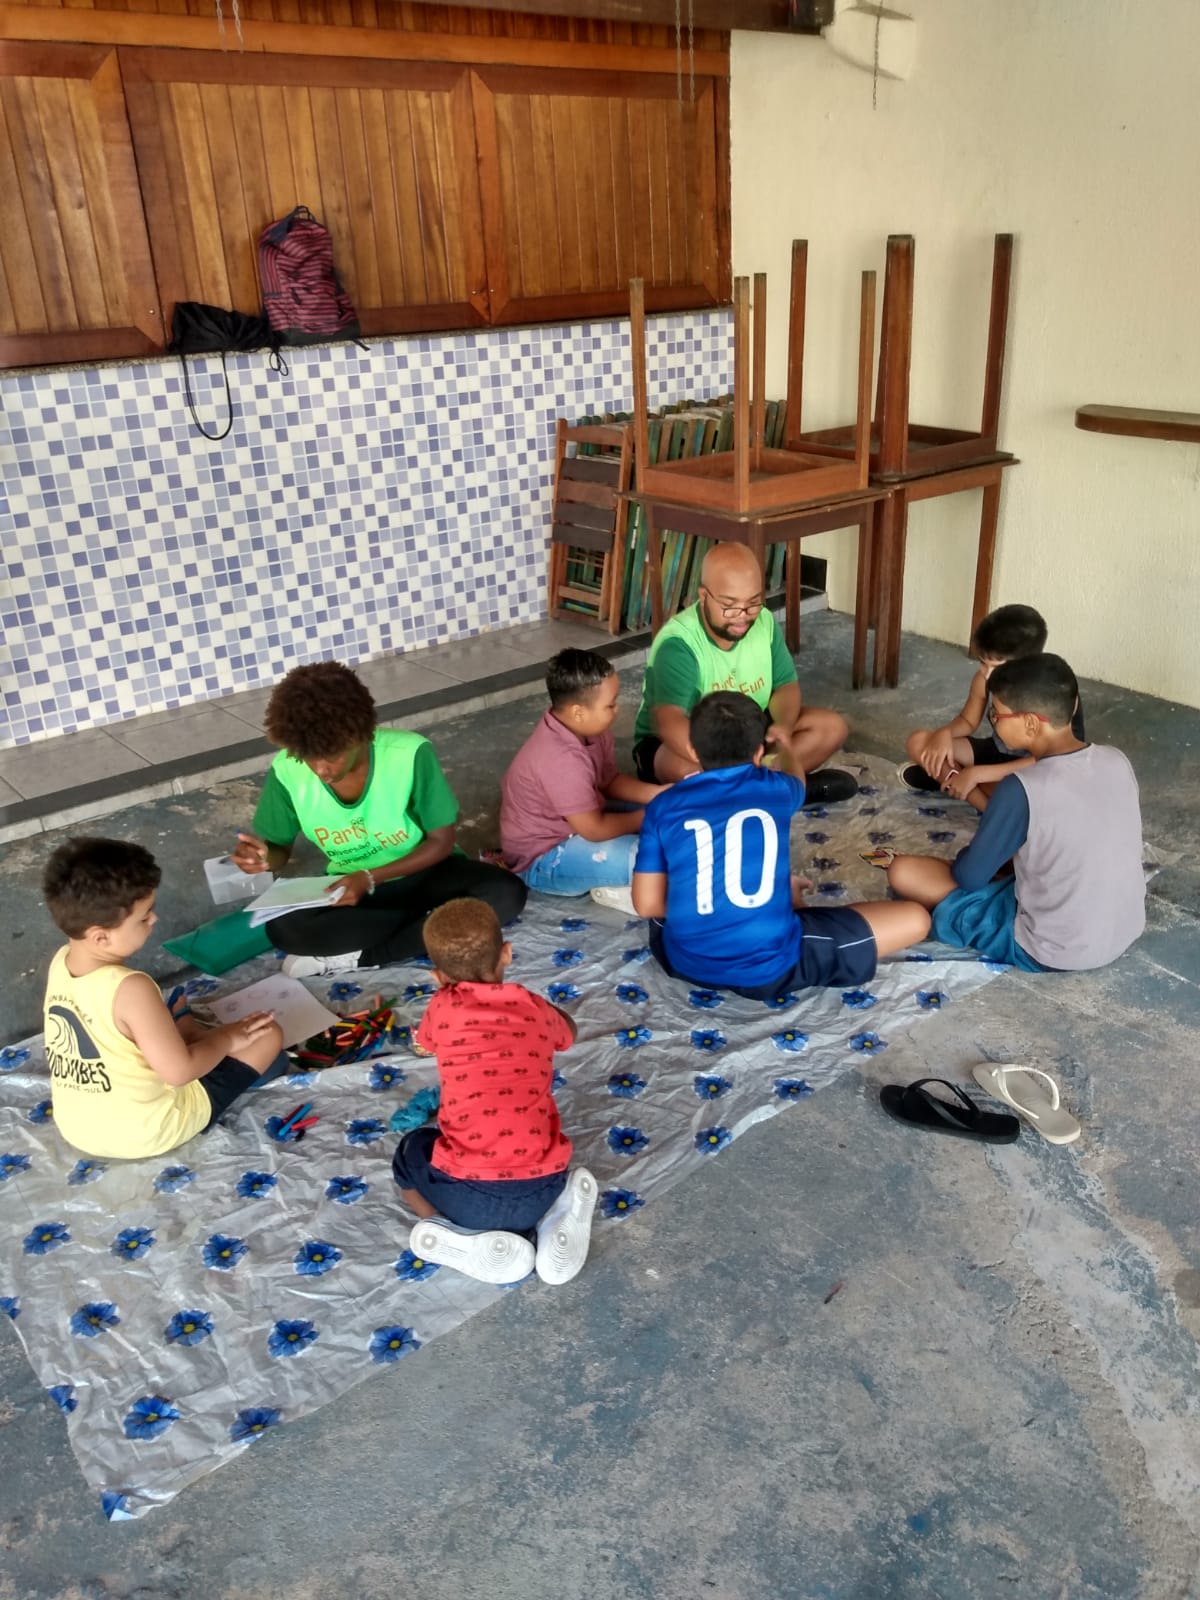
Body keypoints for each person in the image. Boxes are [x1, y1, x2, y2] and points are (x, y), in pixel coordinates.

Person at [230, 661, 526, 978]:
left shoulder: (408, 753)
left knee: (506, 893)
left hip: (427, 874)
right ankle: (434, 924)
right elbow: (278, 849)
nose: (320, 770)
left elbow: (441, 842)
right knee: (283, 928)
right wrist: (264, 857)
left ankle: (364, 955)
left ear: (360, 735)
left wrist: (371, 876)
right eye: (308, 757)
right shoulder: (287, 770)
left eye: (332, 756)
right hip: (351, 887)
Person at [631, 692, 930, 999]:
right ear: (759, 753)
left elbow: (647, 905)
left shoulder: (662, 806)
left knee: (674, 887)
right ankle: (787, 904)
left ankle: (780, 899)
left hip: (684, 962)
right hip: (770, 970)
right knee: (915, 919)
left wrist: (702, 909)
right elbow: (797, 778)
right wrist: (786, 746)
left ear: (692, 750)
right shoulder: (777, 789)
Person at [887, 653, 1145, 972]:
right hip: (1124, 929)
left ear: (1031, 724)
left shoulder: (1020, 788)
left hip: (1052, 948)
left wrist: (979, 855)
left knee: (904, 871)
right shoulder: (1116, 759)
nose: (993, 722)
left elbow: (969, 878)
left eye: (996, 715)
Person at [393, 899, 597, 1287]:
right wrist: (539, 1008)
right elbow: (568, 1034)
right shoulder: (533, 1006)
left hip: (463, 1197)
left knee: (410, 1149)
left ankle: (446, 1229)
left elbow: (428, 1042)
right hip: (543, 1186)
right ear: (507, 953)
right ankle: (555, 1218)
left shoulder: (441, 1005)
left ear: (436, 976)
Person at [41, 837, 285, 1160]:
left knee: (150, 1037)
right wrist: (228, 1038)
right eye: (144, 917)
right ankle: (192, 1034)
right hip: (148, 1134)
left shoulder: (61, 961)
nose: (154, 920)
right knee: (267, 1036)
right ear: (101, 937)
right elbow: (179, 1073)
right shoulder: (131, 988)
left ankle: (187, 1034)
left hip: (77, 1128)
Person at [632, 541, 857, 804]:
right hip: (692, 744)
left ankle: (745, 793)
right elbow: (669, 721)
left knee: (831, 728)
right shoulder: (679, 644)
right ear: (703, 596)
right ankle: (784, 789)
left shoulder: (763, 622)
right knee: (690, 773)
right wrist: (725, 762)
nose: (743, 616)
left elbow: (785, 685)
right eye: (730, 606)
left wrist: (783, 727)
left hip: (748, 732)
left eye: (753, 603)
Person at [500, 648, 664, 915]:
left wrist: (657, 795)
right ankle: (617, 887)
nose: (617, 710)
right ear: (578, 712)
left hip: (582, 821)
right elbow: (594, 830)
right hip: (545, 857)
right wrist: (647, 817)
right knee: (650, 854)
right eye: (610, 704)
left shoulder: (591, 729)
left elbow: (608, 780)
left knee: (667, 817)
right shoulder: (560, 758)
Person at [900, 603, 1085, 809]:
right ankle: (967, 789)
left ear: (1027, 663)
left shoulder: (1053, 692)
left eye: (996, 667)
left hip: (1036, 766)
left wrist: (977, 773)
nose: (987, 674)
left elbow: (1057, 758)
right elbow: (968, 721)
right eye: (982, 663)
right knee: (919, 741)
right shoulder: (983, 680)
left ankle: (954, 783)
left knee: (1031, 792)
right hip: (997, 753)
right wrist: (944, 733)